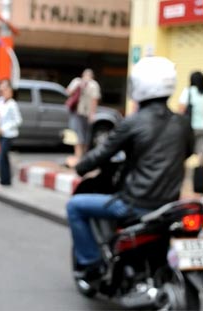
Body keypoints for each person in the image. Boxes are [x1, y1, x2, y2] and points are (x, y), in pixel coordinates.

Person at [66, 56, 194, 280]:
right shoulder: (182, 123)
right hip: (169, 205)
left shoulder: (133, 122)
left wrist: (80, 165)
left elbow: (101, 153)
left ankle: (91, 262)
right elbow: (189, 152)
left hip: (136, 204)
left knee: (75, 206)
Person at [65, 69, 101, 166]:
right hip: (76, 112)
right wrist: (78, 87)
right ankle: (78, 156)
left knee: (85, 135)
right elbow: (68, 92)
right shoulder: (77, 81)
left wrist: (92, 114)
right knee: (76, 134)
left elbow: (94, 100)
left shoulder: (93, 85)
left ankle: (82, 157)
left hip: (86, 113)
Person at [0, 79, 22, 187]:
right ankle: (5, 179)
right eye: (2, 87)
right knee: (2, 156)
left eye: (5, 87)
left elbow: (18, 120)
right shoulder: (0, 101)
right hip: (0, 133)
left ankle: (4, 180)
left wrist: (4, 128)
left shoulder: (12, 104)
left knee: (2, 156)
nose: (3, 89)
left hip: (9, 134)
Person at [179, 71, 203, 157]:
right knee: (201, 153)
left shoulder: (188, 91)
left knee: (183, 152)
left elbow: (181, 110)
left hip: (190, 127)